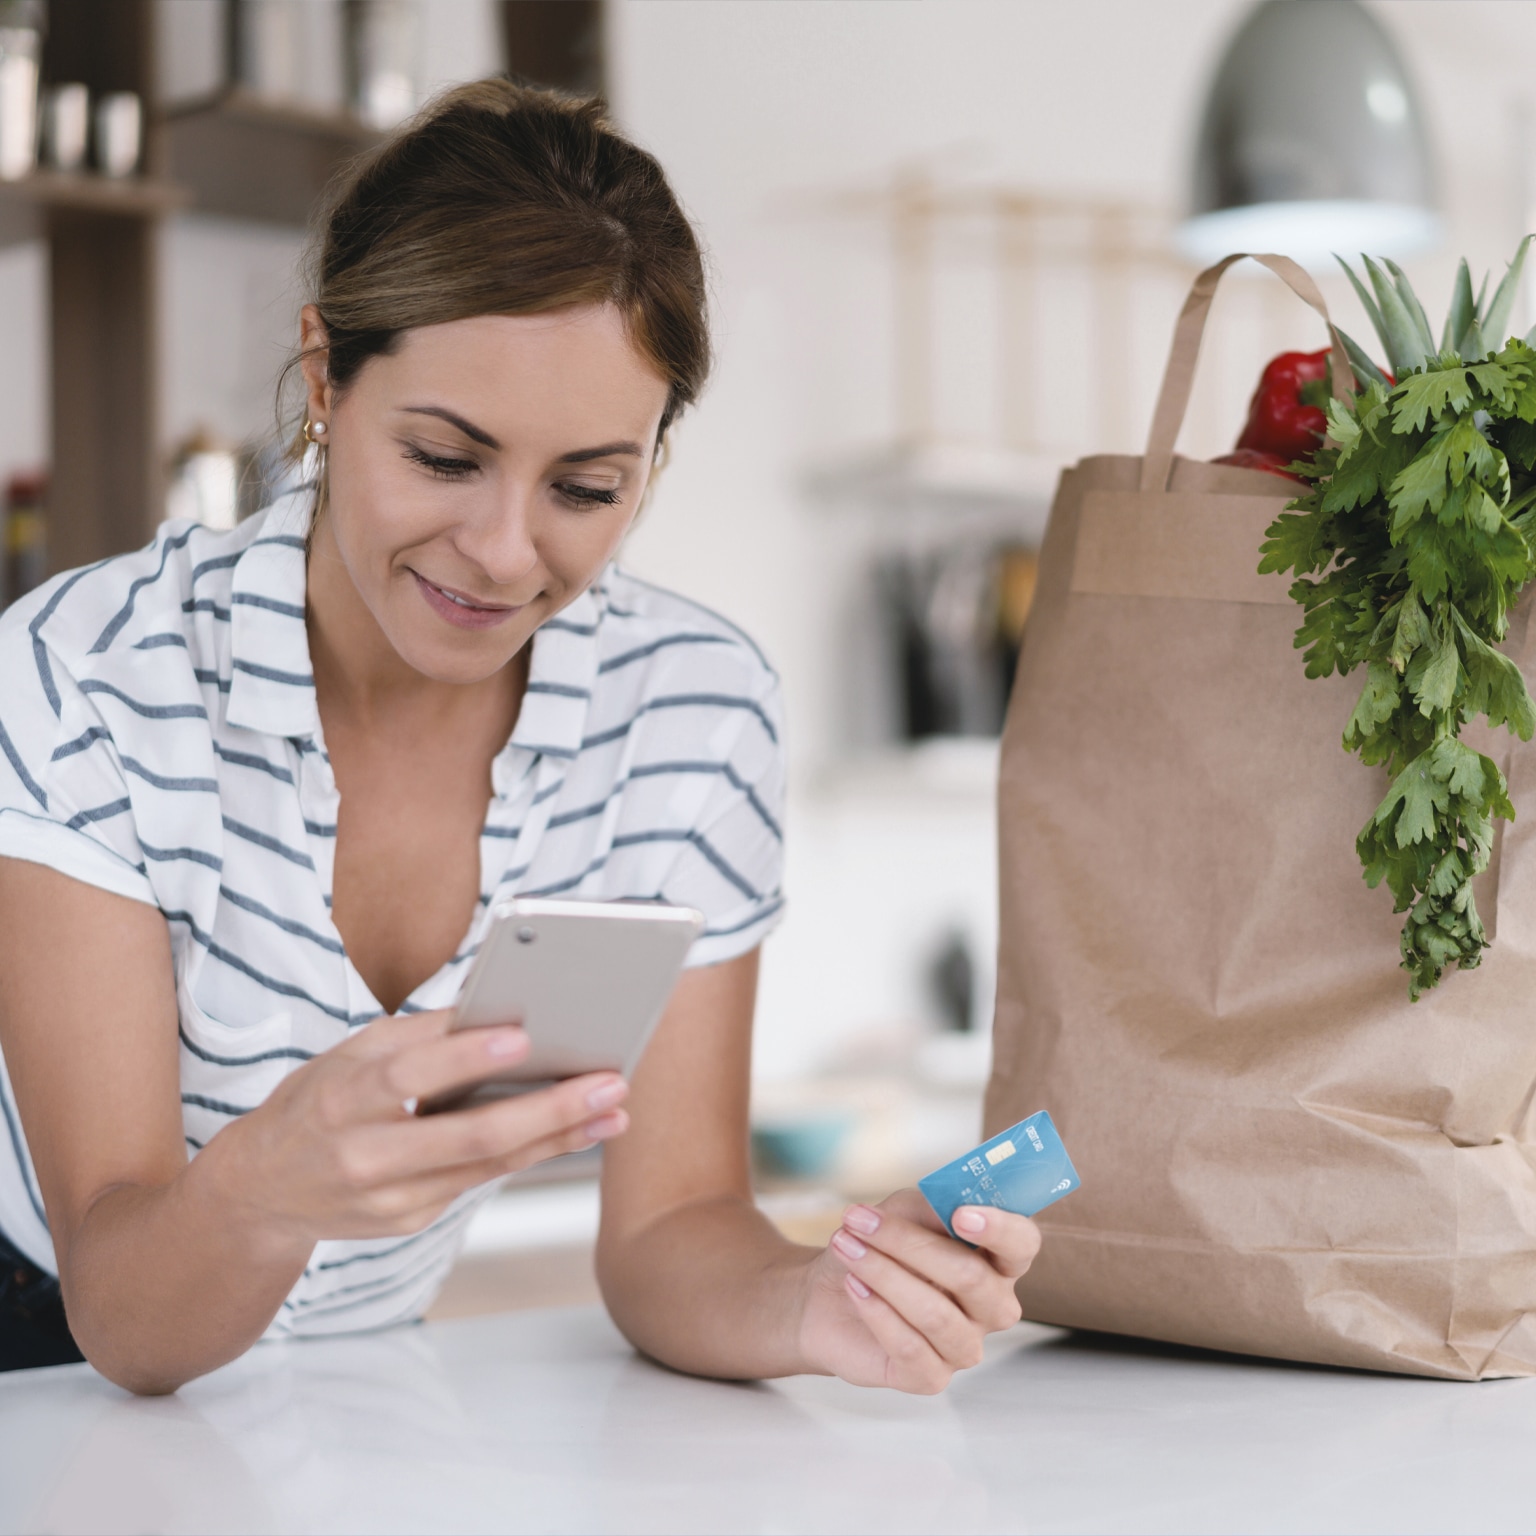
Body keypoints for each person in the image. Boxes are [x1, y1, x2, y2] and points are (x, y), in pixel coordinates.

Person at [0, 80, 1038, 1394]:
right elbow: (124, 1311)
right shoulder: (89, 675)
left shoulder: (691, 708)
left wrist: (815, 1304)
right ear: (324, 378)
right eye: (444, 458)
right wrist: (264, 1186)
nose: (502, 553)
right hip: (47, 1357)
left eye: (586, 487)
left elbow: (673, 1226)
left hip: (350, 1383)